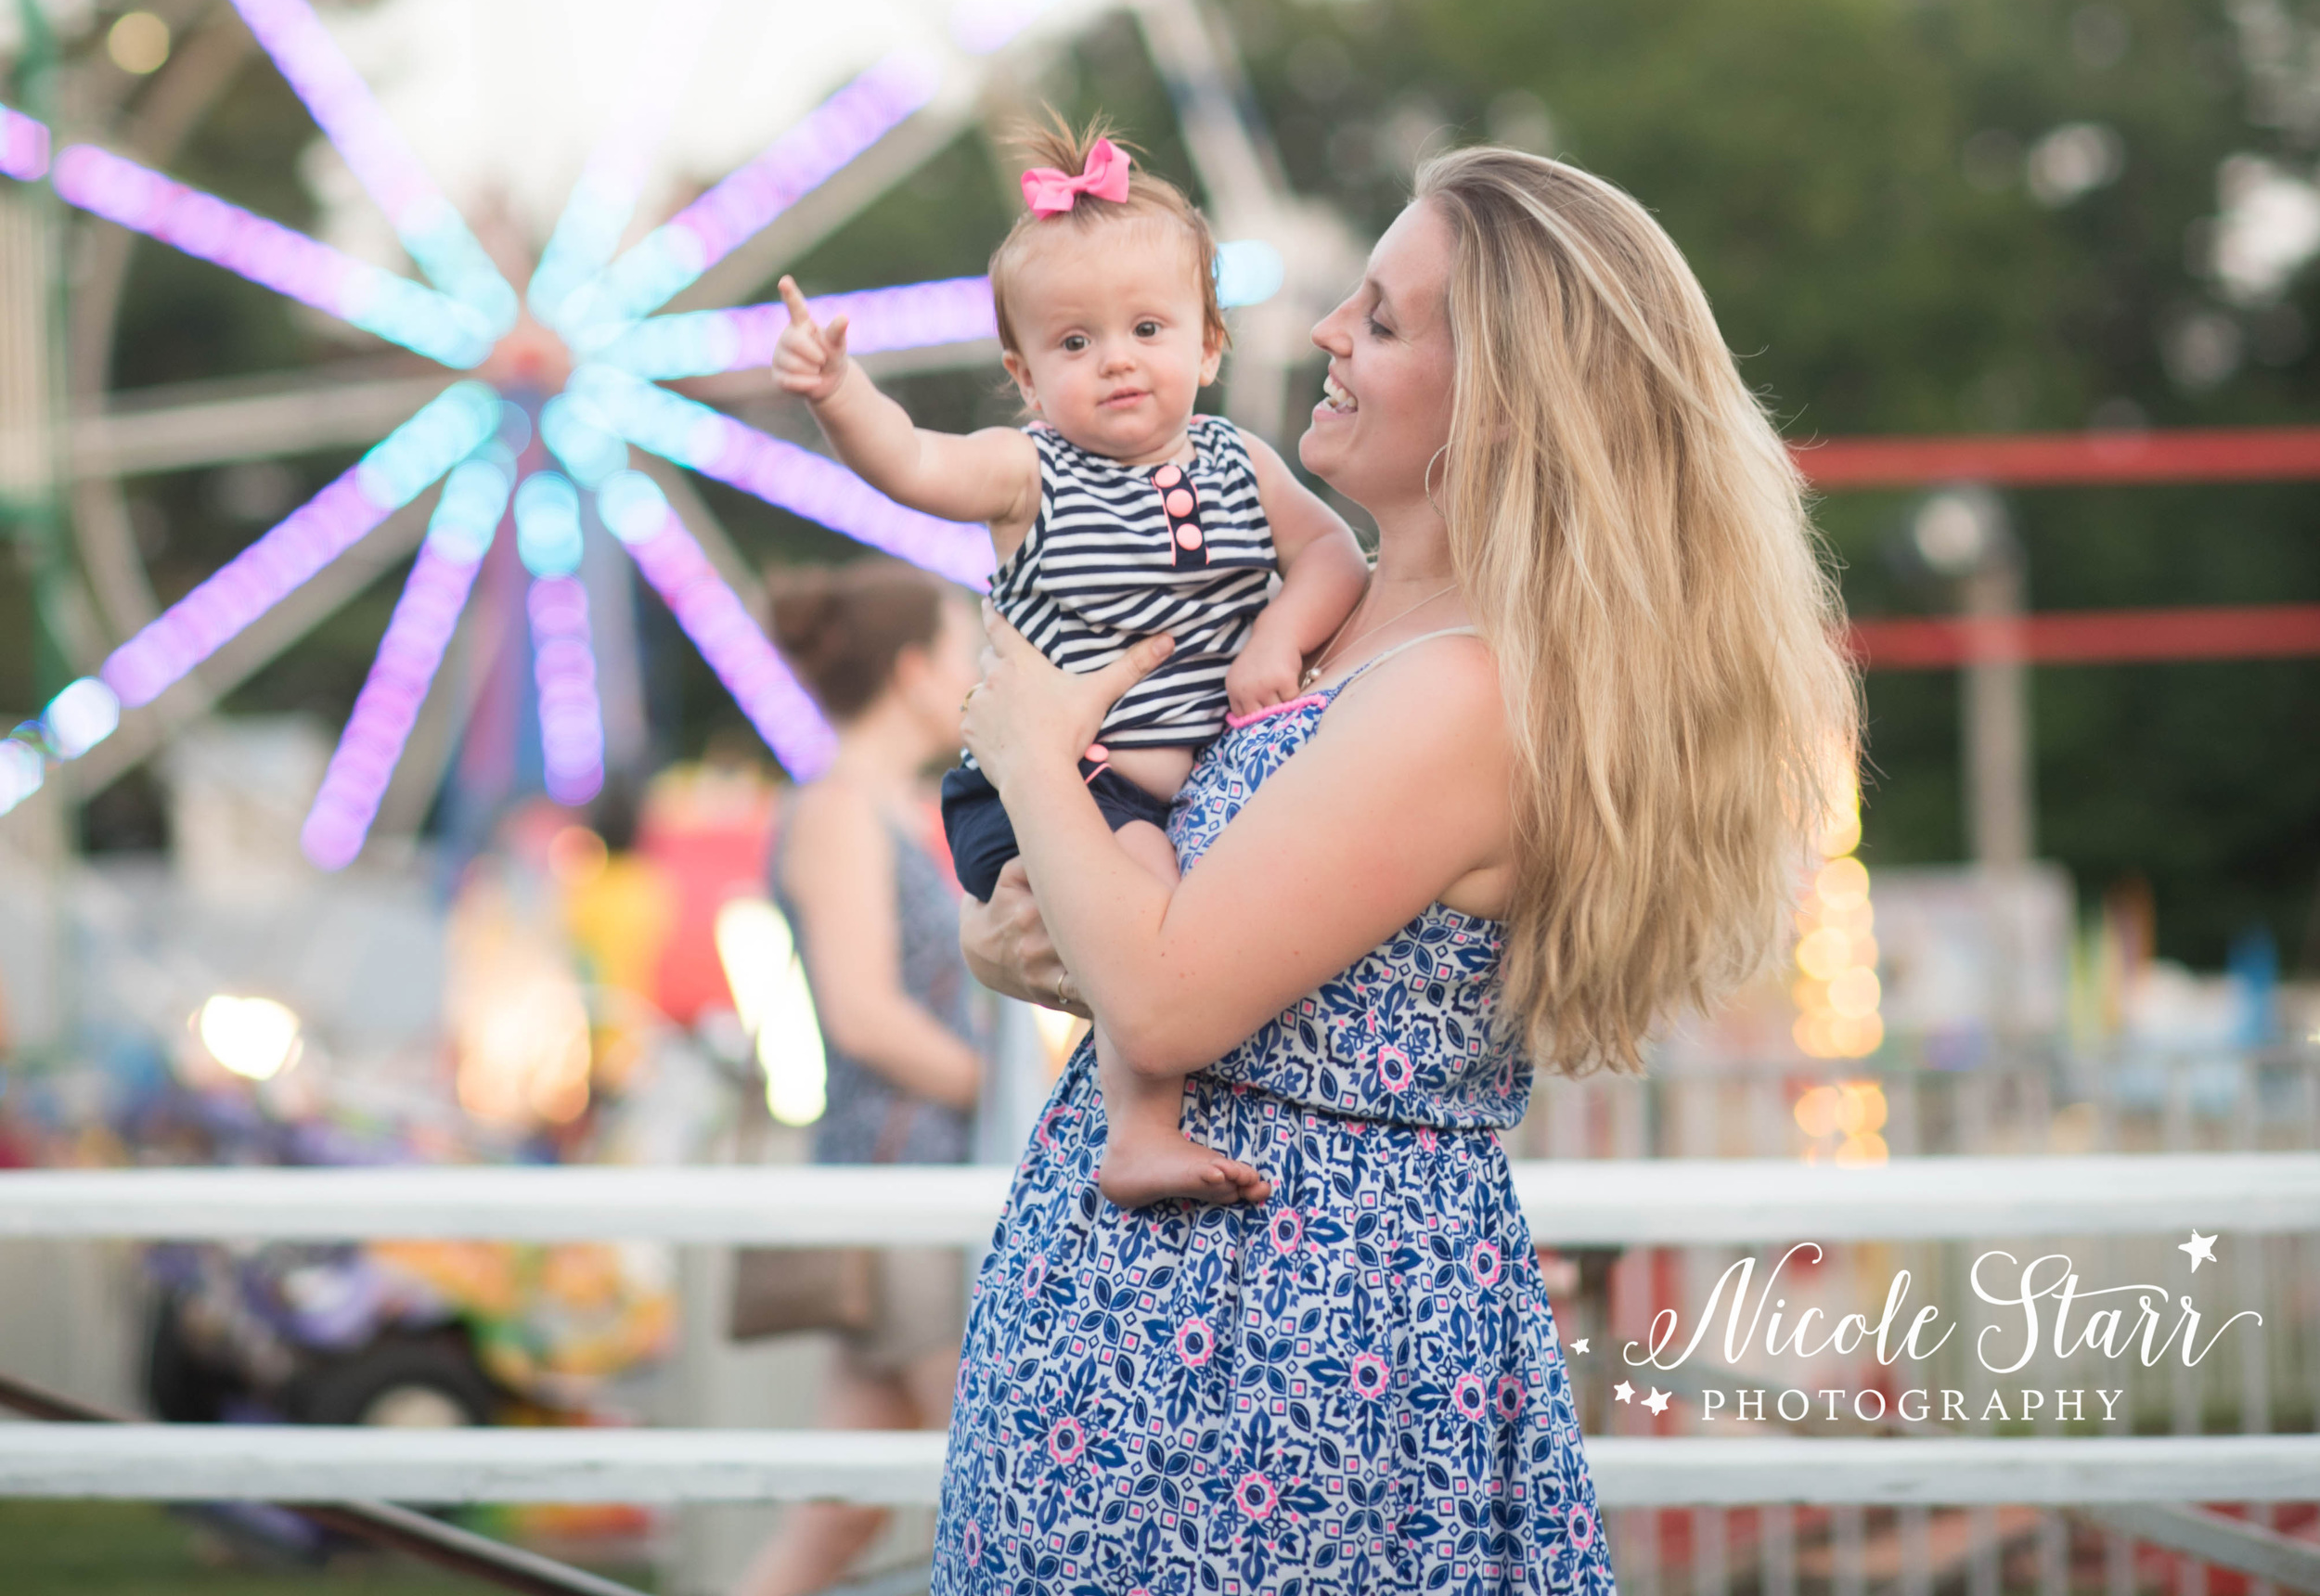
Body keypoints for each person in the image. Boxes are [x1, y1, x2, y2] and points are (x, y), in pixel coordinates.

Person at [940, 146, 1862, 1594]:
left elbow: (1172, 1005)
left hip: (1275, 1335)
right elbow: (1149, 921)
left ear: (1498, 391)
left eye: (1379, 316)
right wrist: (1012, 934)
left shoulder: (1465, 691)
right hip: (1166, 1317)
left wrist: (1026, 745)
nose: (1322, 333)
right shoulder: (1342, 618)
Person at [768, 120, 1369, 1205]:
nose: (1117, 359)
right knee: (1145, 910)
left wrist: (1278, 634)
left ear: (1210, 345)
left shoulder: (1241, 462)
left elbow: (1330, 552)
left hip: (1171, 778)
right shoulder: (1029, 474)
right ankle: (1137, 1131)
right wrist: (838, 393)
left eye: (1147, 327)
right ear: (1025, 375)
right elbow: (909, 462)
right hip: (1066, 780)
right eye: (1075, 343)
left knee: (1191, 902)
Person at [733, 563, 986, 1596]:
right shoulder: (840, 809)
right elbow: (863, 1012)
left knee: (832, 1524)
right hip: (899, 1182)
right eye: (967, 652)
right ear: (915, 669)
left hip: (909, 1181)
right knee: (1003, 1480)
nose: (980, 674)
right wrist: (1000, 1094)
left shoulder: (884, 803)